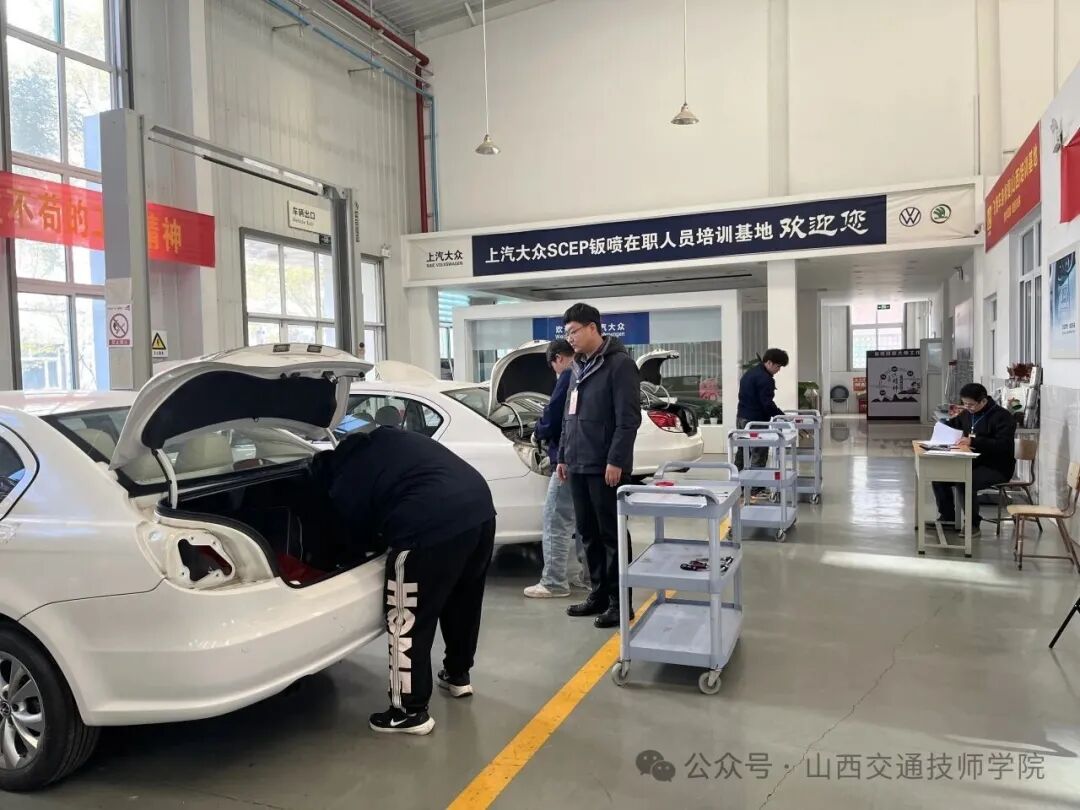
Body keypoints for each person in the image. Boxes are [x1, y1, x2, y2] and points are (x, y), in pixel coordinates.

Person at [312, 425, 496, 735]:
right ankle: (457, 675)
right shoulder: (388, 439)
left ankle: (408, 712)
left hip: (428, 524)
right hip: (480, 511)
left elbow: (354, 539)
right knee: (463, 600)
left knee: (405, 618)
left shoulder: (344, 481)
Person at [556, 303, 642, 629]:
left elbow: (628, 419)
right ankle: (599, 595)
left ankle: (621, 603)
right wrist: (563, 455)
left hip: (606, 466)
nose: (570, 338)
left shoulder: (619, 365)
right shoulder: (577, 367)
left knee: (612, 535)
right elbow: (568, 416)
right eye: (566, 333)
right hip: (578, 463)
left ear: (593, 327)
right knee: (588, 534)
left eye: (574, 331)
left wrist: (616, 459)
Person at [524, 339, 590, 598]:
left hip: (567, 458)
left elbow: (553, 417)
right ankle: (590, 577)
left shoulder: (567, 375)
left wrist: (538, 431)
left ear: (558, 359)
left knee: (555, 519)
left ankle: (553, 582)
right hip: (586, 457)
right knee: (585, 521)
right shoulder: (586, 371)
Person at [932, 382, 1016, 535]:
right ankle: (948, 518)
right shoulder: (967, 414)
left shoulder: (1003, 417)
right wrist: (942, 426)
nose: (967, 407)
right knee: (939, 477)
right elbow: (953, 426)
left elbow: (1003, 445)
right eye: (964, 404)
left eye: (970, 404)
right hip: (971, 462)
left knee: (965, 481)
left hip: (996, 466)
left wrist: (974, 441)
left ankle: (973, 524)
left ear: (983, 401)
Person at [734, 348, 789, 473]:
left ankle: (737, 479)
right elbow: (767, 404)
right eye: (778, 366)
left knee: (742, 451)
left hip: (742, 418)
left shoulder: (750, 373)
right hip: (756, 422)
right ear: (769, 362)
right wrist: (782, 417)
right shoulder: (765, 379)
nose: (778, 370)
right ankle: (757, 482)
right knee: (759, 453)